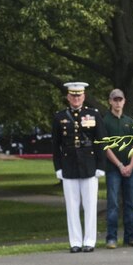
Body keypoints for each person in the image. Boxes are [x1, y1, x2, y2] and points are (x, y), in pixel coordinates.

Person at [52, 82, 106, 253]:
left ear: (84, 96)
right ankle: (75, 241)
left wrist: (100, 165)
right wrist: (58, 167)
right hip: (69, 165)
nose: (76, 99)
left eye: (79, 95)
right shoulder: (60, 117)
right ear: (68, 97)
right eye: (73, 96)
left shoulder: (93, 114)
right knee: (72, 206)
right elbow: (55, 145)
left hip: (89, 164)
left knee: (90, 205)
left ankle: (89, 241)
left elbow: (100, 141)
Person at [101, 89, 133, 248]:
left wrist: (131, 164)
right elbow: (105, 146)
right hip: (113, 169)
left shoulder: (130, 121)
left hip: (129, 168)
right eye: (115, 100)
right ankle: (111, 237)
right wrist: (119, 165)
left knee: (130, 203)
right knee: (113, 204)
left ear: (124, 101)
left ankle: (130, 237)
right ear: (110, 101)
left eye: (120, 99)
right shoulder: (105, 121)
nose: (118, 102)